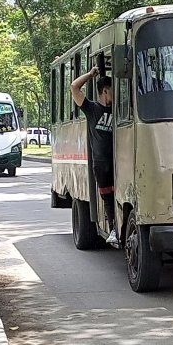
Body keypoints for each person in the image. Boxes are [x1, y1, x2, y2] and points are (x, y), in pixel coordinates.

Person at [70, 66, 118, 245]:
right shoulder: (91, 109)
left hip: (119, 160)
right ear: (105, 91)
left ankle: (118, 228)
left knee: (119, 195)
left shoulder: (120, 109)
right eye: (112, 90)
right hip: (101, 163)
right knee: (107, 197)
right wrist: (90, 75)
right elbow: (74, 87)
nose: (115, 94)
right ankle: (113, 229)